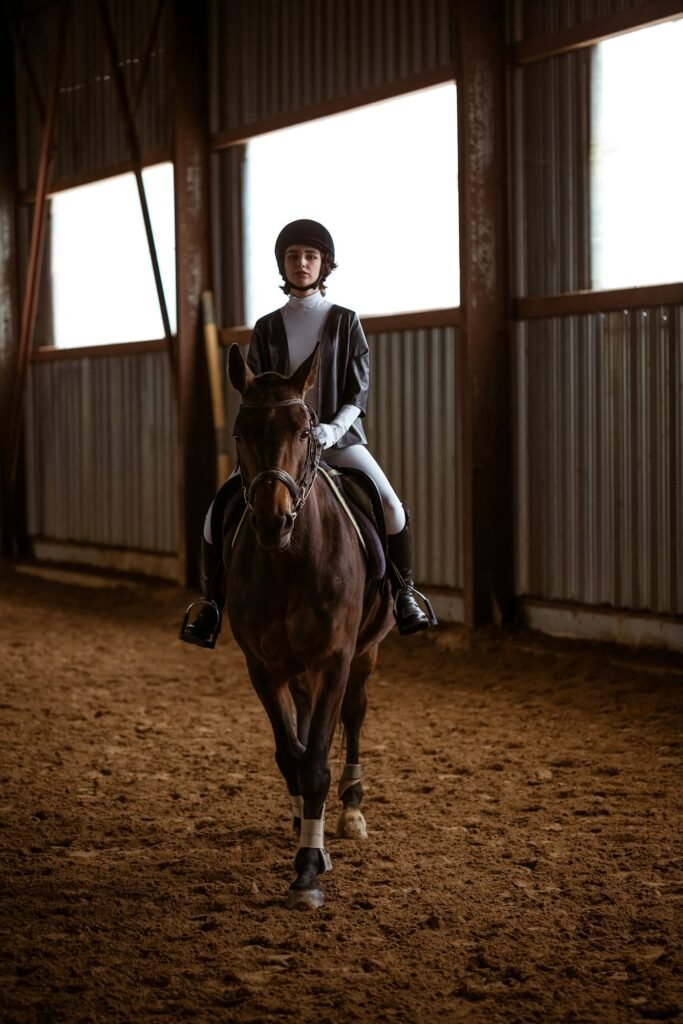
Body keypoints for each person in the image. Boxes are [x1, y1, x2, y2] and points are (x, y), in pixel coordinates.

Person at [180, 218, 436, 648]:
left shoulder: (346, 322)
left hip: (337, 442)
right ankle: (211, 605)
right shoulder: (265, 327)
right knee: (214, 515)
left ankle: (405, 594)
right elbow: (255, 392)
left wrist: (332, 431)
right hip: (280, 451)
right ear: (283, 265)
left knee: (391, 507)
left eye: (311, 257)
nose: (302, 263)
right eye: (294, 256)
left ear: (324, 265)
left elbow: (358, 389)